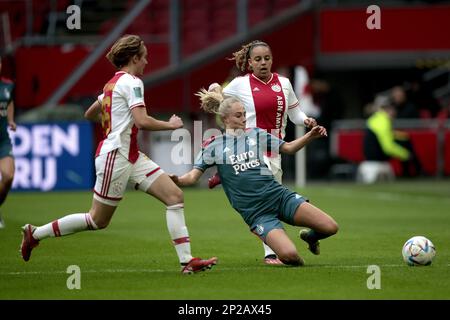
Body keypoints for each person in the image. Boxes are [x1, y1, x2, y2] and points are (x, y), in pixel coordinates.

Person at [19, 35, 217, 274]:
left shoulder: (111, 84)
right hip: (116, 155)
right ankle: (36, 233)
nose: (146, 62)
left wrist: (113, 122)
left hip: (130, 154)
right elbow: (142, 121)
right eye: (144, 57)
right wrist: (171, 125)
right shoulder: (133, 83)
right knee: (97, 220)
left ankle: (187, 262)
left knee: (174, 196)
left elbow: (90, 113)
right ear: (134, 58)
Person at [170, 97, 338, 266]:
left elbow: (288, 148)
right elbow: (192, 177)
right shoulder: (213, 146)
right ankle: (295, 262)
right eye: (238, 115)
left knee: (330, 227)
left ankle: (310, 237)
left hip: (278, 196)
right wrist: (178, 179)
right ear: (225, 119)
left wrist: (310, 135)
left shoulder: (255, 133)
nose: (243, 118)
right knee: (290, 255)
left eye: (244, 114)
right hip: (257, 213)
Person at [200, 40, 318, 264]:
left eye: (267, 58)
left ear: (272, 60)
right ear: (249, 63)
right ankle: (270, 254)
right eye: (258, 59)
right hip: (251, 149)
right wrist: (215, 87)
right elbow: (220, 95)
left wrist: (306, 120)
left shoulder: (283, 83)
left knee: (270, 197)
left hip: (275, 150)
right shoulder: (240, 84)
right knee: (266, 200)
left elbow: (295, 113)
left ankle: (226, 175)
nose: (263, 63)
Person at [363, 95, 422, 177]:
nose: (395, 112)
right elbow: (388, 147)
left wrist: (404, 137)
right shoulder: (383, 121)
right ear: (388, 109)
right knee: (405, 145)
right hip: (376, 156)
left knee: (405, 139)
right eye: (393, 109)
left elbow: (389, 135)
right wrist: (406, 155)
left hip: (371, 155)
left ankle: (410, 172)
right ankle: (411, 173)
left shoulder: (376, 118)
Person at [0, 55, 16, 228]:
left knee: (8, 176)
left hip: (2, 139)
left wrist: (11, 120)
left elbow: (9, 102)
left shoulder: (7, 85)